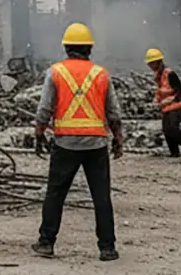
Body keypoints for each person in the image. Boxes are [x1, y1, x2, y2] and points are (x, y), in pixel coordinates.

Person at [32, 22, 125, 262]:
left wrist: (39, 134)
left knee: (55, 194)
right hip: (96, 145)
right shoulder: (101, 74)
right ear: (89, 49)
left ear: (66, 48)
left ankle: (46, 242)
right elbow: (113, 112)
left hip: (65, 144)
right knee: (101, 197)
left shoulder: (55, 72)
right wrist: (118, 138)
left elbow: (45, 109)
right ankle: (107, 247)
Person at [145, 48, 181, 158]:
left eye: (151, 63)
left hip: (176, 106)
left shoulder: (170, 74)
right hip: (166, 107)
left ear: (158, 62)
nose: (150, 66)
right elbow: (160, 90)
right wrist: (156, 100)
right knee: (166, 130)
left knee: (172, 128)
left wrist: (171, 100)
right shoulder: (159, 75)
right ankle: (174, 152)